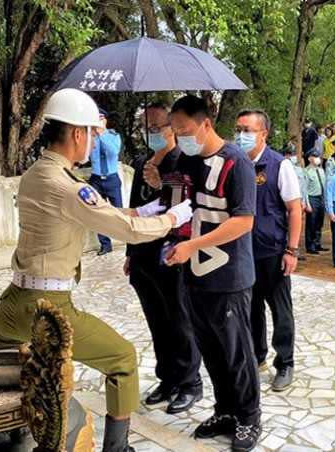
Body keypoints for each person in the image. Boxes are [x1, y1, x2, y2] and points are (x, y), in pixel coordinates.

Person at [0, 88, 193, 452]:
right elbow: (121, 230)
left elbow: (102, 214)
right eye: (93, 134)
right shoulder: (66, 185)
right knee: (123, 358)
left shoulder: (38, 173)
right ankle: (117, 448)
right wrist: (172, 218)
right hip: (48, 308)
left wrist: (141, 211)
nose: (95, 141)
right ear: (77, 133)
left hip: (14, 301)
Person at [143, 95, 261, 451]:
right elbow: (183, 203)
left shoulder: (235, 162)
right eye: (175, 131)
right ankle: (225, 410)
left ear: (206, 123)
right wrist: (155, 181)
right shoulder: (190, 161)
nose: (180, 137)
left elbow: (243, 221)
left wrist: (193, 246)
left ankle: (249, 415)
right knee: (210, 349)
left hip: (229, 276)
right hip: (195, 276)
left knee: (236, 351)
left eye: (185, 130)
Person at [125, 103, 203, 415]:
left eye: (159, 127)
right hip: (144, 255)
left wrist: (162, 182)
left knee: (179, 319)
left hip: (172, 251)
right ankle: (167, 378)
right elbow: (132, 209)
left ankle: (189, 382)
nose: (153, 133)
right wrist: (130, 252)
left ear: (172, 128)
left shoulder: (184, 161)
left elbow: (183, 206)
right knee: (156, 319)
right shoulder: (143, 161)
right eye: (148, 128)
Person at [235, 109, 301, 392]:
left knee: (280, 310)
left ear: (263, 134)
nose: (240, 136)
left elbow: (294, 209)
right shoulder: (235, 163)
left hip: (274, 252)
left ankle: (285, 363)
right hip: (244, 251)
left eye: (247, 130)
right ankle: (257, 356)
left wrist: (292, 250)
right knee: (251, 308)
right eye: (238, 130)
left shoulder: (278, 165)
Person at [89, 108, 124, 255]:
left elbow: (113, 152)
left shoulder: (113, 136)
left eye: (100, 119)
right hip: (96, 180)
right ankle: (105, 244)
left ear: (105, 121)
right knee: (98, 213)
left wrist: (102, 134)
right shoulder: (90, 138)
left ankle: (124, 237)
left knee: (118, 211)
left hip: (111, 178)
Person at [304, 149, 328, 255]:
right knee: (311, 223)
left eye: (318, 156)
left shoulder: (321, 170)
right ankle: (310, 245)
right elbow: (304, 189)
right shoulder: (307, 172)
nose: (318, 158)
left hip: (321, 198)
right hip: (312, 198)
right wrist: (307, 204)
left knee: (319, 222)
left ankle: (317, 243)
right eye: (315, 156)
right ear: (309, 158)